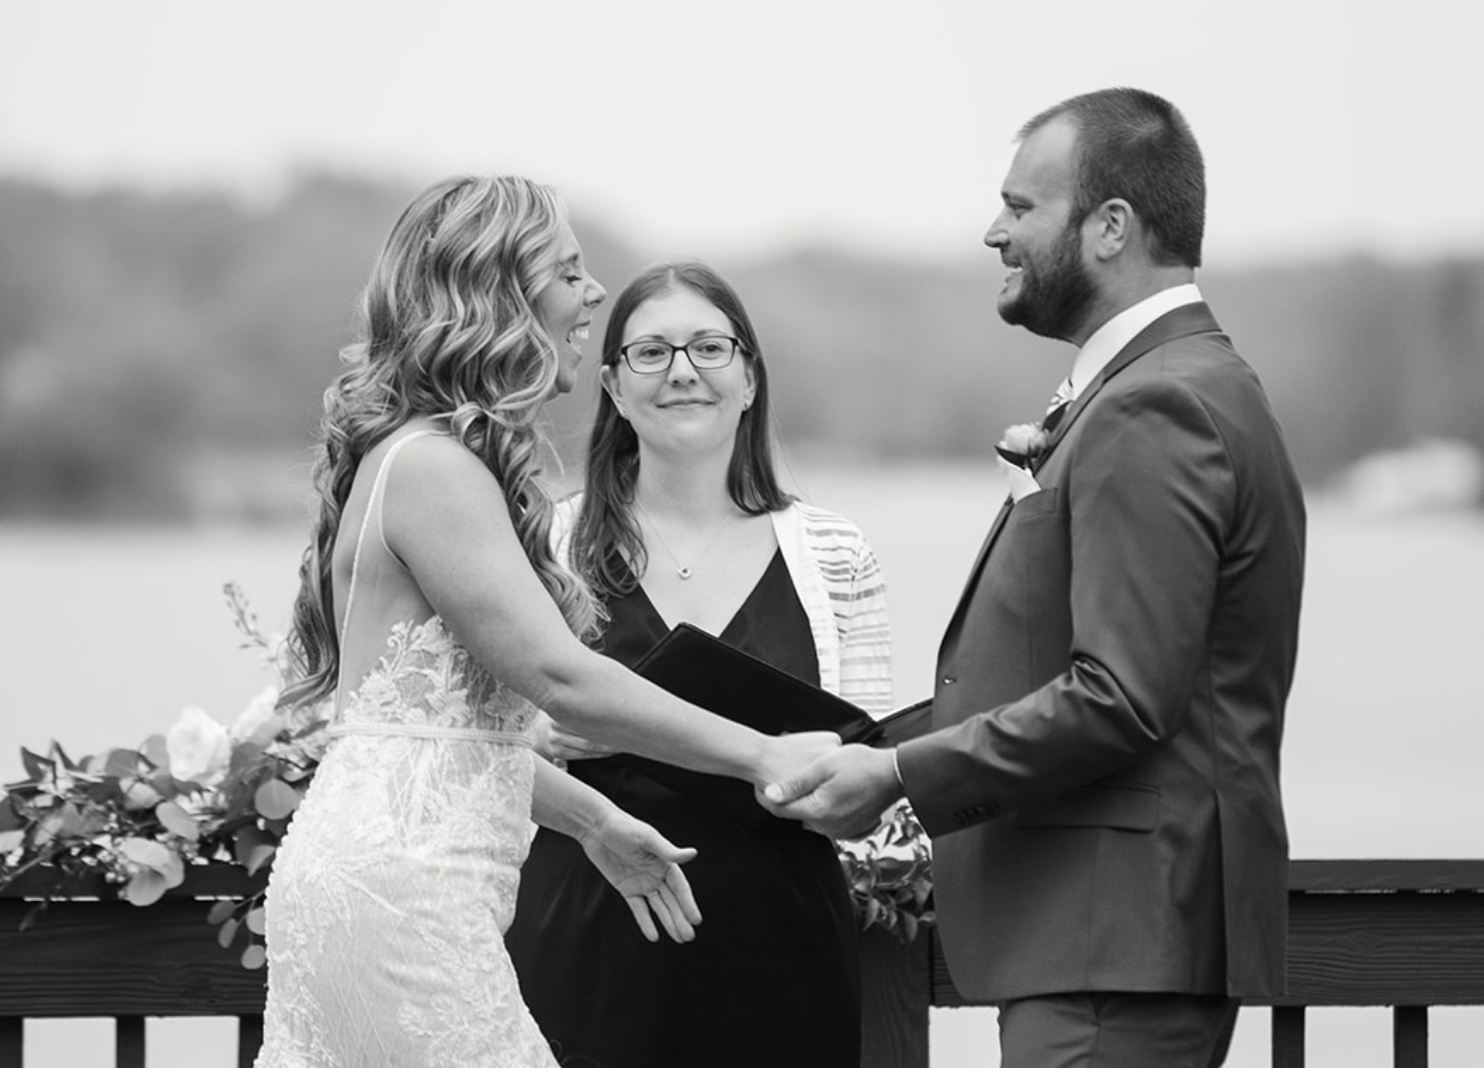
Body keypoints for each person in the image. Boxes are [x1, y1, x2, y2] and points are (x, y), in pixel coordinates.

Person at [765, 88, 1306, 1068]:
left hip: (1115, 956)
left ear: (1110, 228)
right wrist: (853, 746)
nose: (993, 232)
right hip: (1111, 952)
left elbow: (1121, 699)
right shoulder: (1166, 386)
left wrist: (891, 777)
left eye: (1020, 207)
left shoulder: (1159, 407)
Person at [253, 178, 836, 1068]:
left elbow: (438, 736)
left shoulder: (426, 459)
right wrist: (765, 752)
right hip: (406, 895)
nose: (595, 293)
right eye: (568, 270)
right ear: (498, 299)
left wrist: (593, 822)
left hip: (381, 875)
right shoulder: (435, 468)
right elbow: (561, 677)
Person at [505, 259, 893, 1068]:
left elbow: (869, 784)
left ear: (749, 378)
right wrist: (545, 738)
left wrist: (818, 779)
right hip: (579, 935)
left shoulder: (835, 554)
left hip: (781, 952)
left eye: (710, 348)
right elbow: (481, 745)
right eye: (652, 353)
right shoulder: (541, 547)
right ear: (612, 386)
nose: (683, 372)